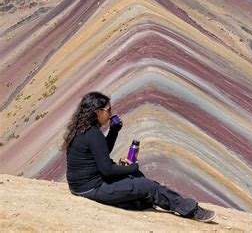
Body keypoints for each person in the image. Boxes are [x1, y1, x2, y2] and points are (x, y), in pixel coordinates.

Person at [63, 91, 216, 222]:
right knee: (148, 185)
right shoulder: (93, 134)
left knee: (137, 177)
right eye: (108, 110)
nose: (110, 113)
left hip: (82, 185)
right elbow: (107, 170)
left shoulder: (83, 129)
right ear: (97, 112)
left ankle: (137, 201)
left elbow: (101, 153)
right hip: (92, 187)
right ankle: (191, 210)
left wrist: (114, 131)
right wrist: (132, 166)